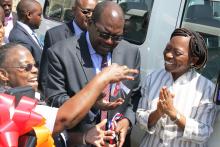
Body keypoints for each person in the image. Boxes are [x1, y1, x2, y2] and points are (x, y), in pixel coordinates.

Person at [0, 42, 138, 147]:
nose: (35, 70)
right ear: (3, 74)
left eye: (35, 65)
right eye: (26, 67)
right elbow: (63, 119)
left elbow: (52, 133)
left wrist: (84, 136)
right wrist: (103, 78)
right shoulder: (7, 106)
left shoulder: (31, 97)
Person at [44, 1, 140, 146]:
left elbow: (134, 95)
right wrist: (90, 101)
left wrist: (127, 121)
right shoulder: (60, 53)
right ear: (90, 24)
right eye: (104, 34)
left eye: (117, 37)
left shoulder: (131, 53)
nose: (109, 42)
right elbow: (55, 101)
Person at [136, 28, 217, 147]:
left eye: (177, 53)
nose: (168, 55)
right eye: (168, 49)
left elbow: (203, 133)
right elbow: (139, 118)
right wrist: (158, 112)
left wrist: (173, 114)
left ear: (193, 60)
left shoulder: (206, 88)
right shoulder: (153, 77)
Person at [39, 0, 98, 93]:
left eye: (94, 12)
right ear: (74, 10)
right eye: (86, 12)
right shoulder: (55, 35)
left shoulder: (98, 37)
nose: (90, 15)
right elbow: (45, 77)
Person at [8, 0, 42, 66]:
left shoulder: (29, 31)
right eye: (39, 15)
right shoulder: (19, 37)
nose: (41, 19)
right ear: (29, 15)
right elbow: (26, 66)